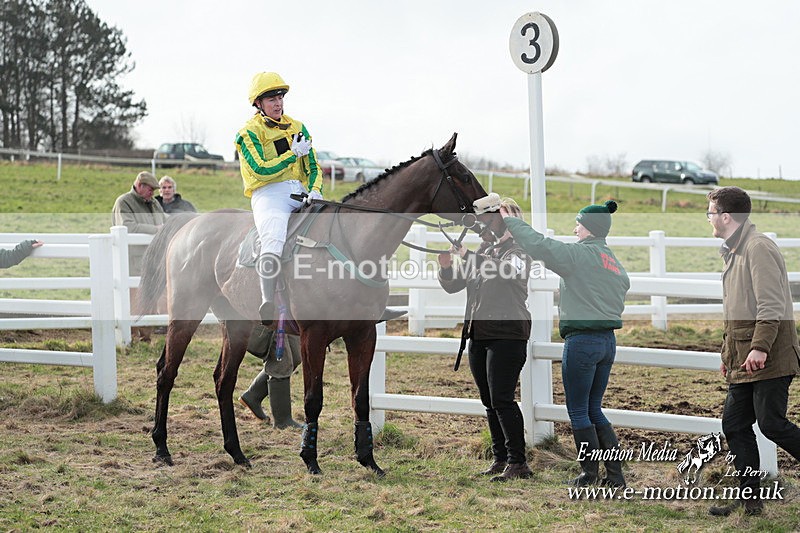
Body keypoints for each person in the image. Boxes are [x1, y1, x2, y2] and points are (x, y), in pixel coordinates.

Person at [502, 200, 630, 488]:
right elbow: (624, 284)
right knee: (594, 408)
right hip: (607, 342)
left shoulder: (579, 255)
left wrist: (512, 222)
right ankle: (615, 475)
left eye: (579, 224)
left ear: (589, 228)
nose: (575, 228)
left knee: (578, 411)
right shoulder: (612, 261)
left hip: (582, 341)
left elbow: (541, 246)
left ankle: (589, 473)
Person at [705, 186, 800, 517]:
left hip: (769, 357)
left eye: (711, 212)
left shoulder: (757, 248)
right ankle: (751, 503)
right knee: (734, 424)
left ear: (726, 216)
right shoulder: (735, 250)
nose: (709, 219)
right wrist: (727, 355)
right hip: (744, 358)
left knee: (771, 423)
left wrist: (759, 347)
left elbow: (770, 304)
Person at [437, 198, 533, 481]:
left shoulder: (518, 250)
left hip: (507, 334)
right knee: (489, 400)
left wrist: (468, 255)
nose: (482, 229)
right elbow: (456, 284)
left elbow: (507, 271)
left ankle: (518, 462)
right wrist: (446, 267)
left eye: (488, 222)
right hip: (480, 333)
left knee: (502, 398)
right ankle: (501, 457)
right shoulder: (485, 250)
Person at [234, 71, 323, 324]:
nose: (278, 103)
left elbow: (313, 166)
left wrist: (316, 190)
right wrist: (291, 155)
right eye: (271, 99)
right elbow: (260, 169)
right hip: (268, 193)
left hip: (300, 191)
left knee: (333, 225)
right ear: (258, 104)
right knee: (273, 237)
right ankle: (267, 301)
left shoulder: (298, 127)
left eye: (280, 97)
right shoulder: (248, 132)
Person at [112, 171, 167, 342]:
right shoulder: (124, 202)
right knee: (134, 298)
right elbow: (128, 226)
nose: (153, 193)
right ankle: (133, 337)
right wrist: (155, 230)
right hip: (133, 260)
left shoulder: (154, 204)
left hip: (153, 259)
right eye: (151, 189)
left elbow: (164, 220)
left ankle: (146, 337)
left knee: (150, 297)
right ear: (140, 186)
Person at [238, 328, 303, 429]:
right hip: (272, 316)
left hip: (287, 314)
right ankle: (282, 421)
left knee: (295, 354)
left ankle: (253, 395)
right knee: (281, 360)